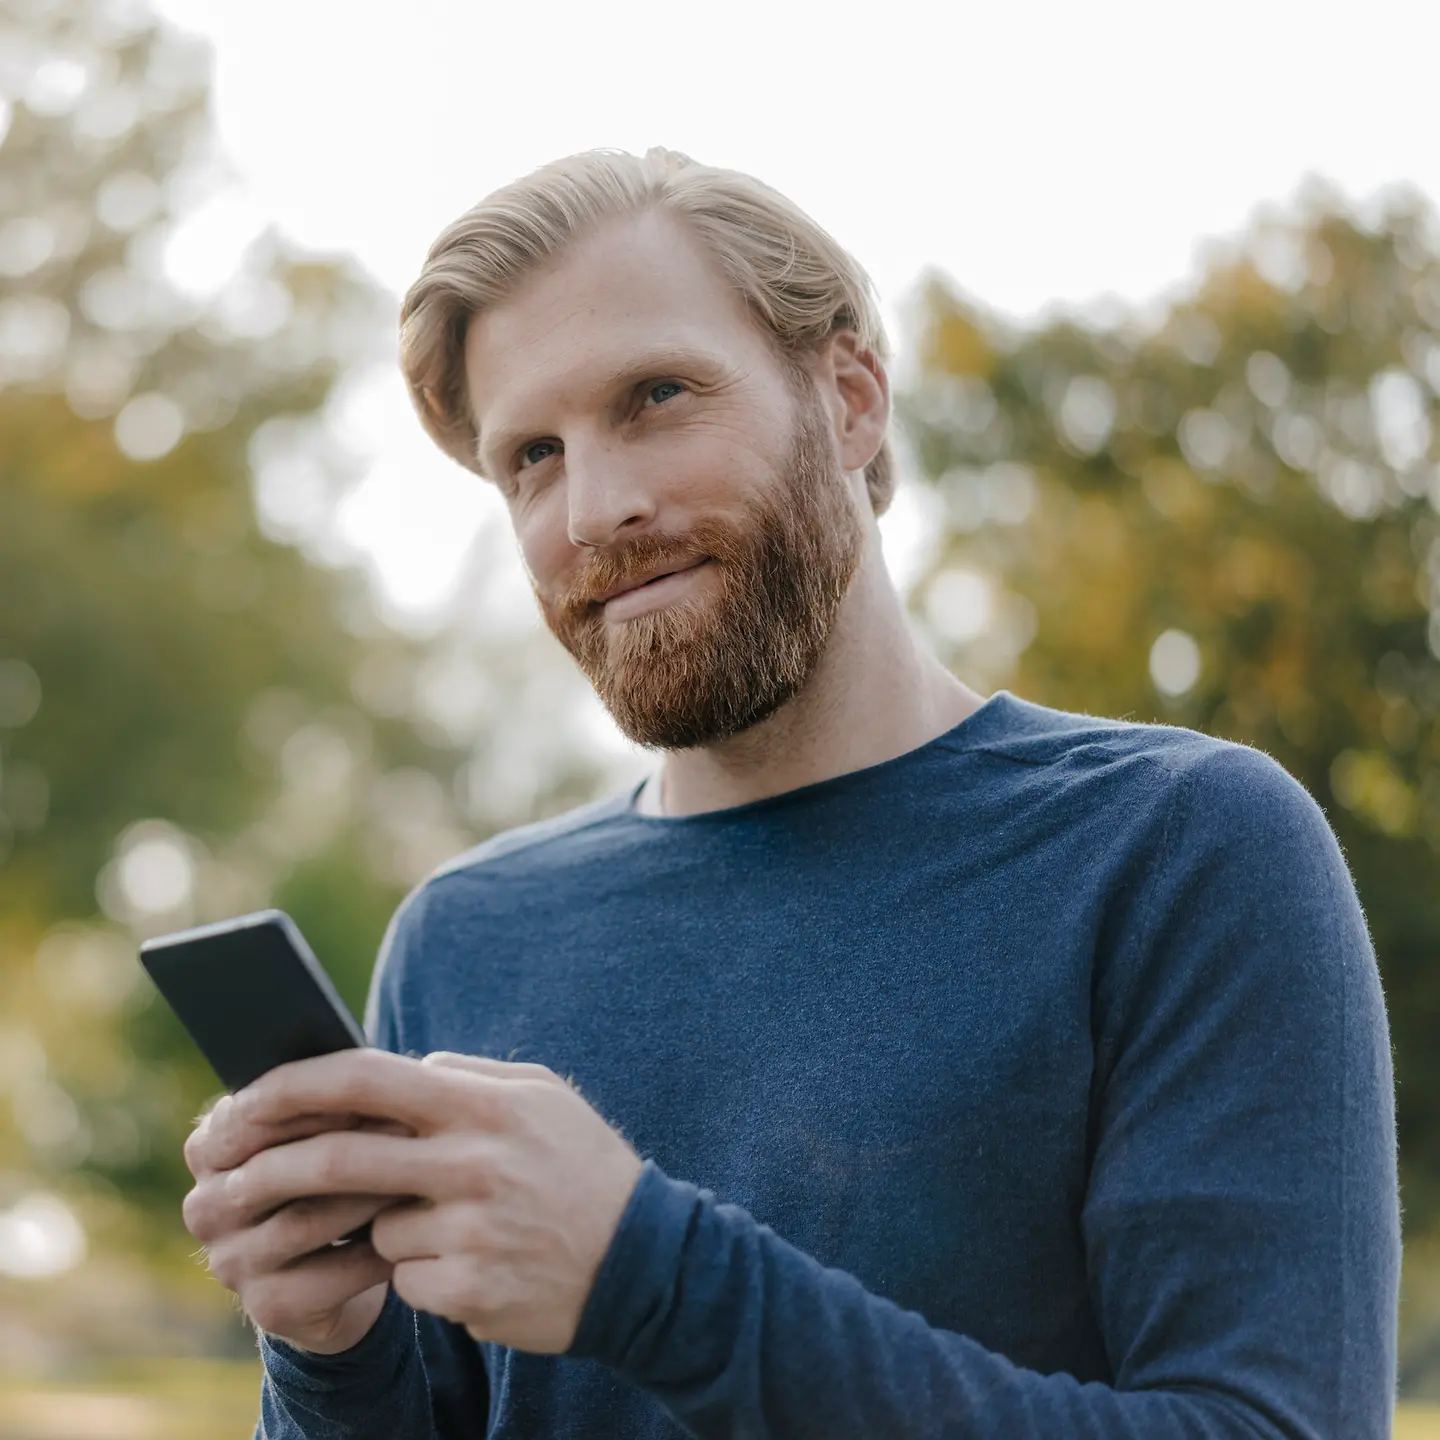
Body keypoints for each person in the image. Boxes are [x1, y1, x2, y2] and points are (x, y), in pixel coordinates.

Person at [181, 147, 1400, 1439]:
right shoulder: (464, 937)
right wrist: (329, 1351)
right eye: (531, 454)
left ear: (854, 397)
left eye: (656, 396)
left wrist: (653, 1280)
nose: (598, 507)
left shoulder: (1178, 846)